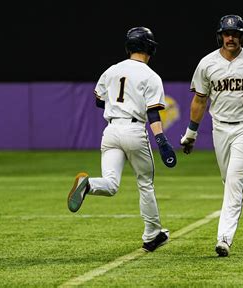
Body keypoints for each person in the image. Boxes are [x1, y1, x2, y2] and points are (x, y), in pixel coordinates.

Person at [67, 26, 177, 253]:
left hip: (111, 131)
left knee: (110, 184)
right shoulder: (150, 75)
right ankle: (151, 234)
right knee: (145, 184)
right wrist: (162, 140)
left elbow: (99, 100)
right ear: (149, 48)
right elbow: (153, 113)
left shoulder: (112, 70)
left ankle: (88, 185)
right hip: (134, 130)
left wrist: (120, 103)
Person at [180, 15, 243, 257]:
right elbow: (200, 99)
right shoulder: (207, 64)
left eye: (235, 34)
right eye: (227, 33)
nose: (231, 38)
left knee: (233, 183)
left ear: (242, 36)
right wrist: (191, 133)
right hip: (221, 127)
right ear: (220, 36)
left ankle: (224, 238)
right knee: (229, 178)